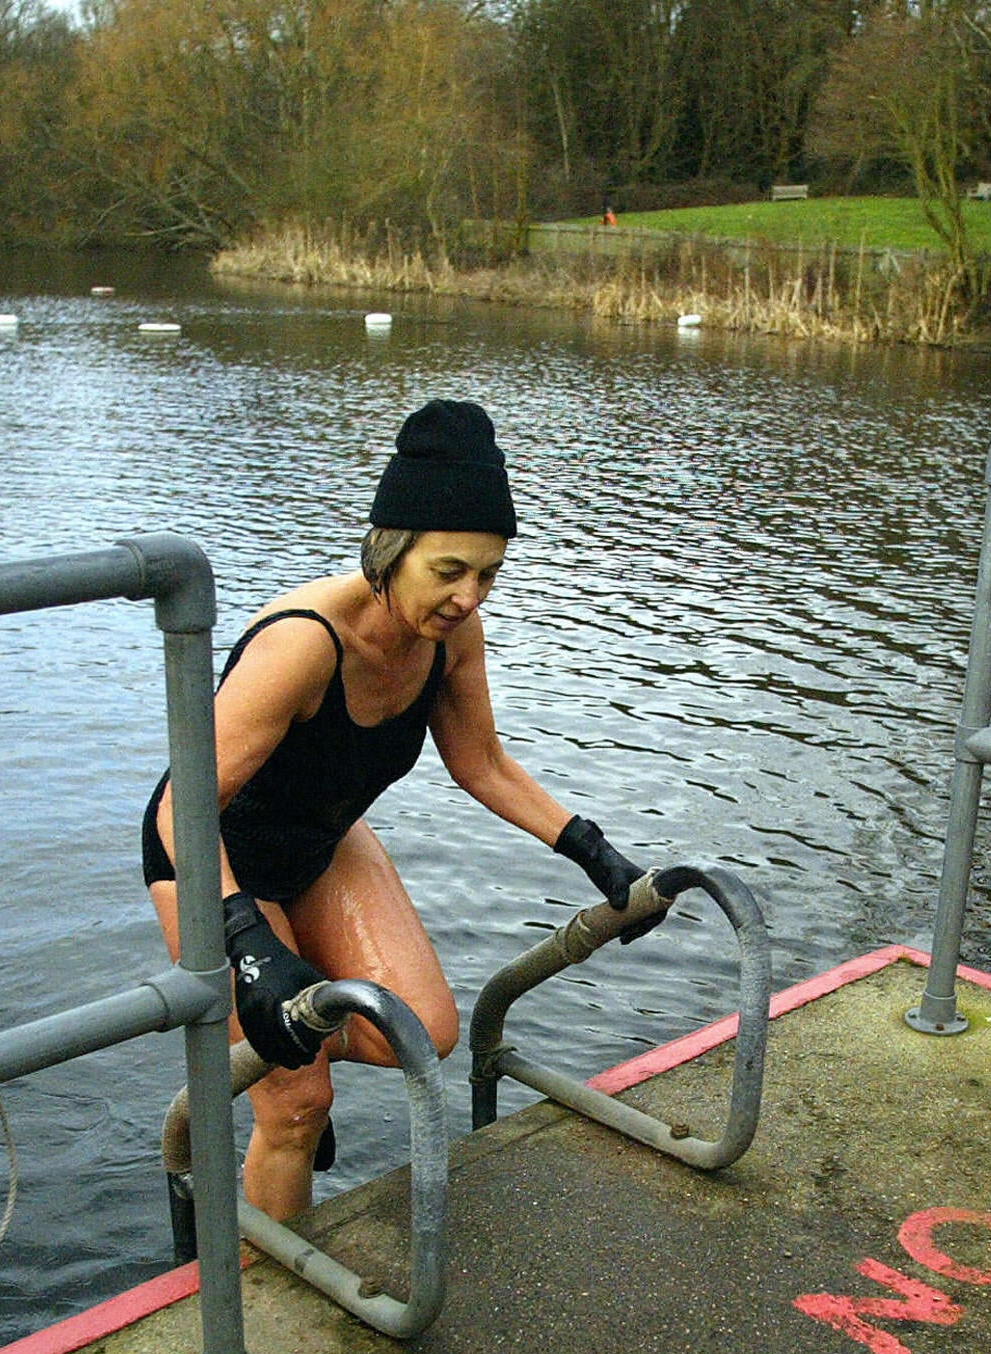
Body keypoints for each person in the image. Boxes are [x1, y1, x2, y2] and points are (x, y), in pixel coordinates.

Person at [144, 399, 664, 1224]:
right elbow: (181, 808)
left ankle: (293, 1043)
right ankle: (271, 1290)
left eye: (488, 573)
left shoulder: (451, 636)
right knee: (296, 1104)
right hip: (213, 854)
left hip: (322, 839)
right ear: (391, 548)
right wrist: (248, 943)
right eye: (449, 570)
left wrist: (596, 855)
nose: (468, 596)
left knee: (426, 1030)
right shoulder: (303, 642)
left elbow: (482, 764)